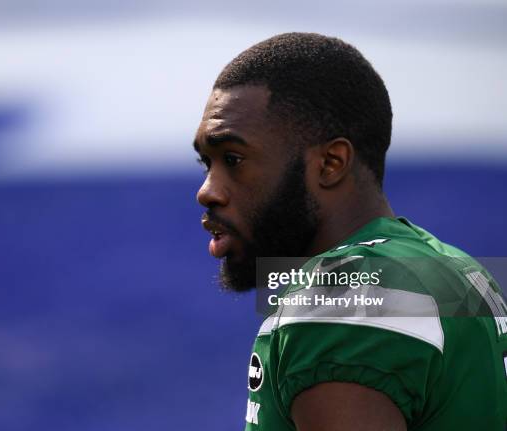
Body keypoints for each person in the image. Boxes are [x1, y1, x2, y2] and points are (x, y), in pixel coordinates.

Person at [193, 32, 507, 430]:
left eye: (233, 159)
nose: (207, 191)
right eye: (207, 163)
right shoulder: (457, 269)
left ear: (331, 163)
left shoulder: (342, 297)